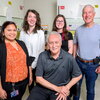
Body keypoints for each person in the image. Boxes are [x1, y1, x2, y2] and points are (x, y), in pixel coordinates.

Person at [27, 31, 82, 100]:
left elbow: (78, 75)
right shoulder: (42, 55)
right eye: (51, 43)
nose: (54, 46)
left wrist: (66, 88)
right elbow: (38, 79)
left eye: (56, 42)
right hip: (42, 88)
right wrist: (57, 89)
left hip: (60, 90)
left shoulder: (68, 57)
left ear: (61, 43)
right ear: (47, 44)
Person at [73, 5, 100, 100]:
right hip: (78, 63)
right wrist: (73, 61)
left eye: (89, 12)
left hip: (93, 66)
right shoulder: (78, 30)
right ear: (82, 15)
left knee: (90, 90)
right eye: (85, 12)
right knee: (76, 88)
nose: (87, 15)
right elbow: (75, 45)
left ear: (94, 14)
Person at [0, 21, 32, 100]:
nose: (12, 32)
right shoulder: (1, 46)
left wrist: (30, 76)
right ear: (3, 32)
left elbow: (28, 61)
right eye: (9, 30)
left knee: (19, 98)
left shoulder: (21, 43)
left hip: (24, 82)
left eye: (14, 30)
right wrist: (0, 89)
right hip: (10, 85)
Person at [19, 9, 45, 92]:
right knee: (29, 85)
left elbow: (41, 51)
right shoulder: (22, 32)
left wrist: (32, 65)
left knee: (38, 85)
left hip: (37, 62)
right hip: (25, 62)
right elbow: (20, 48)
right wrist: (26, 63)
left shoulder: (40, 32)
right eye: (30, 16)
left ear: (37, 20)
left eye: (34, 17)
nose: (32, 19)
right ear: (26, 18)